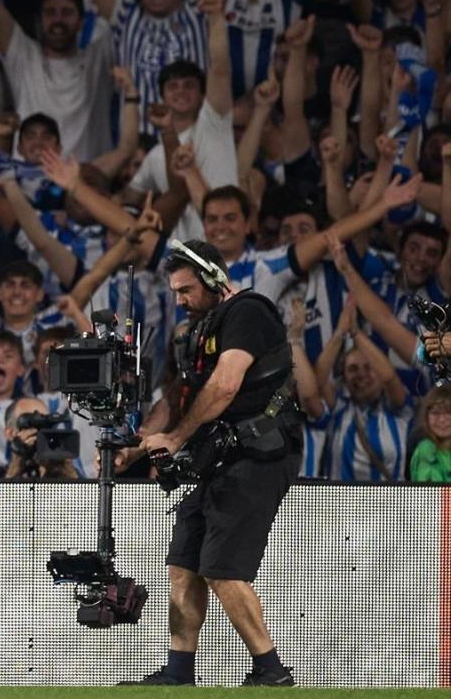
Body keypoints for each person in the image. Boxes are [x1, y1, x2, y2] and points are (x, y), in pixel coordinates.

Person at [116, 240, 299, 687]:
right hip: (222, 455)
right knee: (185, 560)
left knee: (221, 567)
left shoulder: (249, 312)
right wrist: (141, 445)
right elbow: (182, 393)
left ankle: (271, 671)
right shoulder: (202, 329)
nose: (180, 301)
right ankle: (180, 671)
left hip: (261, 452)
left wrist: (176, 438)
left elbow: (223, 387)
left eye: (186, 290)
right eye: (175, 292)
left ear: (216, 277)